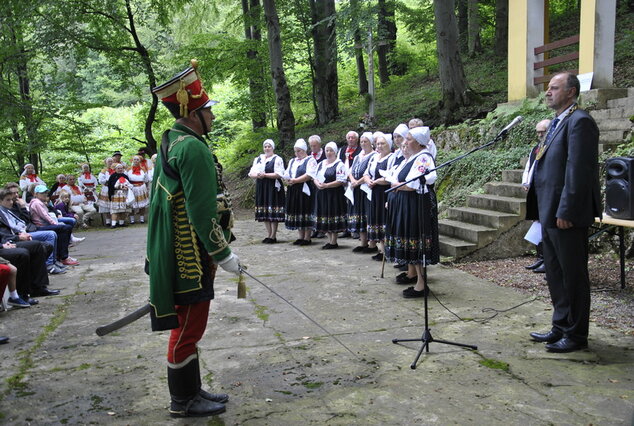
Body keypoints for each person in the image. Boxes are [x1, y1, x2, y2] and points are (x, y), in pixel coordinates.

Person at [148, 60, 241, 418]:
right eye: (207, 111)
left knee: (190, 326)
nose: (213, 117)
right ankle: (183, 401)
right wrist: (224, 254)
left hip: (175, 247)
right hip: (190, 254)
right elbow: (202, 213)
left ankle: (191, 390)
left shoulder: (170, 139)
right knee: (188, 326)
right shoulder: (193, 149)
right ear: (191, 112)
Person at [526, 73, 601, 353]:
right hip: (549, 212)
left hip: (565, 214)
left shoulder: (580, 121)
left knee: (573, 275)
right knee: (555, 274)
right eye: (548, 89)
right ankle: (560, 325)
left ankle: (577, 334)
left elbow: (578, 171)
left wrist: (566, 210)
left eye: (554, 88)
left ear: (570, 92)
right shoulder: (559, 122)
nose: (548, 92)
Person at [385, 127, 439, 298]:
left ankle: (422, 285)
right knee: (411, 242)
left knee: (416, 242)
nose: (405, 142)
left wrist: (396, 186)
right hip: (408, 205)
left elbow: (413, 184)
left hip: (416, 206)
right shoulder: (413, 158)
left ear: (418, 141)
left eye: (408, 139)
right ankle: (415, 277)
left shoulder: (424, 157)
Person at [1, 184, 65, 274]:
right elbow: (11, 228)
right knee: (51, 235)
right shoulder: (7, 209)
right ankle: (49, 265)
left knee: (59, 230)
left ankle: (54, 261)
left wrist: (23, 207)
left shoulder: (16, 205)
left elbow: (26, 220)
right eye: (12, 194)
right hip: (23, 232)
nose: (15, 195)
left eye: (16, 192)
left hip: (28, 229)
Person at [522, 119, 551, 273]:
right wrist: (526, 182)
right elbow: (529, 166)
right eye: (538, 132)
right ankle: (540, 257)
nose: (540, 134)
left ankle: (547, 259)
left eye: (543, 131)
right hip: (535, 191)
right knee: (537, 221)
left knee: (544, 224)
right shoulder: (536, 148)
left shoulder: (551, 147)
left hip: (545, 192)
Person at [28, 185, 79, 267]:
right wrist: (55, 224)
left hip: (44, 225)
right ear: (36, 194)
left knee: (65, 227)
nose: (45, 194)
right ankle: (64, 257)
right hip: (40, 226)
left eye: (45, 192)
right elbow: (45, 216)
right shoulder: (37, 203)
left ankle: (60, 256)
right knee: (65, 228)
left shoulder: (40, 202)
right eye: (42, 193)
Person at [248, 139, 286, 243]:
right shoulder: (258, 159)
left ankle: (273, 235)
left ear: (273, 148)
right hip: (262, 186)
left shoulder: (277, 159)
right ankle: (268, 234)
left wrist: (265, 175)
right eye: (265, 146)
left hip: (272, 186)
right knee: (265, 210)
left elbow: (279, 174)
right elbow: (251, 173)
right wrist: (258, 175)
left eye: (269, 146)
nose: (267, 148)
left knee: (272, 210)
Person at [364, 133, 393, 261]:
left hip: (384, 192)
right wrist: (368, 180)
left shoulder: (392, 158)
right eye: (378, 144)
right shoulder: (374, 158)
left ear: (389, 145)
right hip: (374, 192)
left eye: (382, 144)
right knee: (377, 220)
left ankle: (387, 251)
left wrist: (376, 182)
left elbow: (390, 177)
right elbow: (366, 173)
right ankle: (381, 250)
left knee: (384, 220)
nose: (379, 146)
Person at [313, 142, 348, 249]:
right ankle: (329, 240)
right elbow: (314, 176)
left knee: (332, 214)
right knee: (324, 215)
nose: (328, 153)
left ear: (335, 152)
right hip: (322, 193)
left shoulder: (339, 164)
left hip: (334, 194)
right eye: (327, 150)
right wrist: (318, 184)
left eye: (331, 150)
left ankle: (334, 241)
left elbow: (341, 180)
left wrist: (327, 185)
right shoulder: (321, 164)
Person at [283, 139, 317, 245]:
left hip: (305, 189)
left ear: (304, 150)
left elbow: (309, 175)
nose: (297, 153)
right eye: (295, 151)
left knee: (305, 210)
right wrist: (287, 180)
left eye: (299, 151)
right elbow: (287, 172)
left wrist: (295, 180)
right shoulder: (293, 161)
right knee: (297, 211)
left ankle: (307, 237)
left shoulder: (310, 160)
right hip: (293, 189)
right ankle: (300, 236)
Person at [347, 132, 377, 253]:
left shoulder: (374, 155)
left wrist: (358, 182)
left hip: (366, 189)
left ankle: (372, 244)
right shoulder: (358, 156)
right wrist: (353, 180)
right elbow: (350, 171)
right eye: (362, 142)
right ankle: (363, 242)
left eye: (366, 142)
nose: (363, 144)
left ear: (371, 143)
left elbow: (368, 173)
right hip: (356, 189)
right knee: (359, 214)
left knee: (367, 214)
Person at [127, 155, 150, 224]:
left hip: (141, 188)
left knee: (142, 204)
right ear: (132, 160)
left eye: (137, 160)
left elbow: (146, 179)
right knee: (132, 203)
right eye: (135, 159)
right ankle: (132, 219)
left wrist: (147, 188)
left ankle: (142, 218)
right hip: (132, 188)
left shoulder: (143, 170)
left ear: (140, 161)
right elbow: (126, 179)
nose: (136, 161)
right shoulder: (128, 170)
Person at [107, 163, 132, 228]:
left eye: (121, 168)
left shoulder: (125, 176)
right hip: (116, 195)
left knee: (123, 210)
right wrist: (119, 187)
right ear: (115, 169)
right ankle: (113, 224)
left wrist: (127, 187)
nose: (120, 169)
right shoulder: (112, 176)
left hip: (124, 195)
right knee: (115, 210)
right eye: (118, 168)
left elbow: (129, 184)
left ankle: (121, 223)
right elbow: (111, 185)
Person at [97, 158, 114, 227]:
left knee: (114, 205)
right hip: (106, 188)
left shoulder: (116, 170)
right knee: (106, 206)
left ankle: (115, 221)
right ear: (106, 163)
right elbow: (101, 180)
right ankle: (108, 221)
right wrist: (109, 181)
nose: (110, 163)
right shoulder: (103, 171)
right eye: (109, 161)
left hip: (114, 189)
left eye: (111, 161)